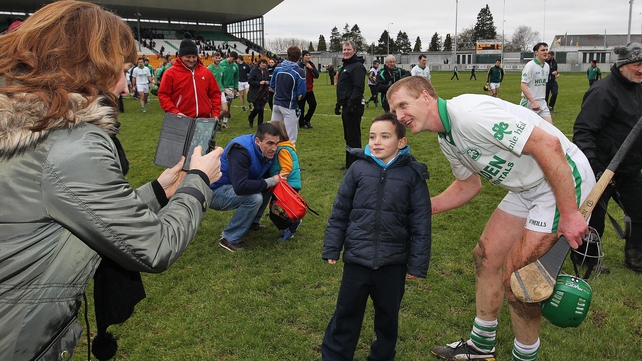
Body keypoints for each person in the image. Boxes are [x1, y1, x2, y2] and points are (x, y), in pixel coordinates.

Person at [0, 2, 224, 359]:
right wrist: (199, 180)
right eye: (120, 70)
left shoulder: (34, 127)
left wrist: (159, 190)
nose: (123, 85)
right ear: (85, 66)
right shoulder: (72, 142)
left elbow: (75, 208)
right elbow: (154, 247)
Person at [387, 76, 595, 361]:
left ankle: (524, 357)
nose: (399, 117)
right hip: (527, 186)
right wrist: (419, 209)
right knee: (485, 256)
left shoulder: (470, 115)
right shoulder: (447, 138)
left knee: (521, 282)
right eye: (393, 111)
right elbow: (468, 186)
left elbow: (548, 145)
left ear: (425, 96)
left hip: (561, 179)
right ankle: (481, 347)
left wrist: (570, 213)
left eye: (402, 105)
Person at [321, 113, 432, 361]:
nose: (376, 142)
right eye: (372, 136)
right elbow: (340, 211)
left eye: (385, 136)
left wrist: (417, 263)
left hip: (392, 264)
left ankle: (382, 356)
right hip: (357, 261)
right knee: (346, 314)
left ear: (401, 142)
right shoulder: (357, 169)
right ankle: (335, 355)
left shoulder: (413, 176)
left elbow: (421, 224)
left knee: (387, 318)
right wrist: (332, 247)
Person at [573, 42, 642, 273]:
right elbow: (584, 131)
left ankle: (636, 258)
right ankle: (587, 259)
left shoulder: (638, 88)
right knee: (594, 219)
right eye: (637, 64)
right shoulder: (603, 91)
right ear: (623, 65)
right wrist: (595, 166)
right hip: (603, 167)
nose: (641, 69)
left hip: (630, 168)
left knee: (640, 210)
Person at [209, 123, 289, 252]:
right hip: (213, 192)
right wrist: (271, 180)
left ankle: (252, 222)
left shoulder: (267, 150)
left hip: (233, 186)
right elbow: (240, 187)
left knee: (268, 186)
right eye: (269, 143)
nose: (274, 148)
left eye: (276, 143)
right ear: (257, 141)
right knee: (254, 197)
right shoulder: (240, 150)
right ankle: (229, 238)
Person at [158, 32, 221, 119]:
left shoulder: (205, 72)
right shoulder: (170, 73)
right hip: (180, 119)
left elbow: (215, 94)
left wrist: (215, 113)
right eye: (188, 57)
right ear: (181, 56)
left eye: (194, 56)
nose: (191, 60)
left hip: (204, 120)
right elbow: (163, 95)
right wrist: (174, 111)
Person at [267, 120, 303, 242]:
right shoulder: (285, 147)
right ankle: (292, 222)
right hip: (288, 184)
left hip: (287, 185)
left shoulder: (282, 149)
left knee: (276, 210)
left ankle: (289, 228)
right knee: (280, 208)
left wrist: (278, 180)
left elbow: (287, 167)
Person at [335, 40, 366, 170]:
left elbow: (358, 88)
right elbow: (343, 88)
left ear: (354, 51)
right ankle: (349, 163)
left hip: (353, 106)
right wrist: (339, 104)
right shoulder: (346, 66)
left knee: (353, 136)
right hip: (346, 105)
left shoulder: (357, 66)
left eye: (348, 49)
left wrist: (351, 104)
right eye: (344, 49)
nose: (346, 52)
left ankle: (355, 166)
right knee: (348, 135)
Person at [270, 46, 306, 143]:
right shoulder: (299, 71)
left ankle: (270, 155)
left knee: (272, 133)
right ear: (299, 57)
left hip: (276, 103)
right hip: (289, 106)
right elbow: (302, 91)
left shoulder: (278, 67)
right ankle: (288, 157)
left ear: (287, 55)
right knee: (290, 137)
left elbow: (272, 84)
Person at [520, 42, 552, 123]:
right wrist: (533, 102)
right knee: (527, 130)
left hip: (542, 102)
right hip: (529, 103)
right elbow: (523, 85)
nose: (545, 52)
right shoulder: (530, 66)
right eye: (542, 50)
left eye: (546, 50)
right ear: (536, 52)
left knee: (550, 128)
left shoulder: (547, 66)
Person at [297, 50, 319, 129]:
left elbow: (317, 75)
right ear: (302, 56)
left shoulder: (311, 64)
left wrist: (311, 68)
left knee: (313, 105)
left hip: (309, 89)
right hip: (300, 90)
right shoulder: (298, 65)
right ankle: (301, 124)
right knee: (301, 108)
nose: (308, 56)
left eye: (309, 55)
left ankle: (307, 119)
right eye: (306, 55)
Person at [247, 58, 270, 128]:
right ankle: (251, 118)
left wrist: (267, 82)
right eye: (262, 63)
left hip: (264, 93)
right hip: (255, 93)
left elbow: (268, 79)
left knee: (261, 110)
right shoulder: (254, 70)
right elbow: (250, 81)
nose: (264, 64)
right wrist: (259, 83)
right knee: (257, 108)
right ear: (259, 64)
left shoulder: (266, 71)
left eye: (265, 63)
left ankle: (260, 125)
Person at [220, 51, 239, 128]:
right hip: (222, 87)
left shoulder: (235, 66)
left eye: (235, 60)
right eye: (233, 59)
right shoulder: (221, 64)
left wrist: (235, 88)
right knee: (221, 106)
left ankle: (225, 122)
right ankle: (219, 121)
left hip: (231, 87)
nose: (233, 61)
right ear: (229, 56)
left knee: (228, 105)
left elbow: (236, 78)